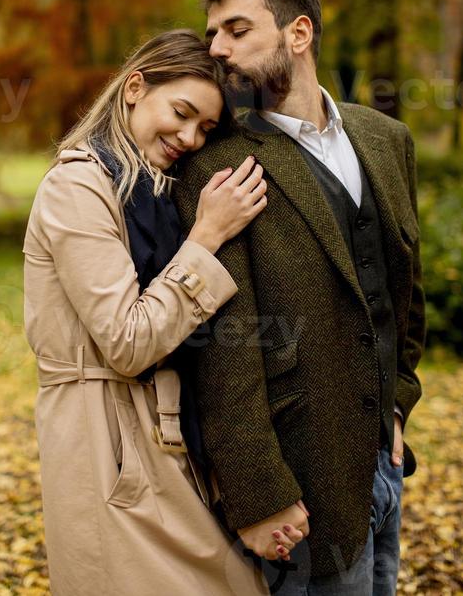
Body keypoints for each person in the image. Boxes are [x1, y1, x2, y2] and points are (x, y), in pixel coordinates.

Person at [173, 0, 426, 596]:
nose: (217, 51)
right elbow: (223, 353)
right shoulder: (216, 166)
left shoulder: (387, 139)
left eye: (237, 30)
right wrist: (260, 495)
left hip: (385, 464)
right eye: (213, 34)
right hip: (299, 493)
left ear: (299, 32)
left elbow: (404, 294)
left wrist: (398, 402)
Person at [22, 29, 286, 596]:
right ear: (136, 87)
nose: (190, 137)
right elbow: (128, 341)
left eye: (206, 129)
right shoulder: (78, 187)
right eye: (182, 112)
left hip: (165, 436)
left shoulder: (151, 191)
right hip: (104, 442)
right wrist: (207, 236)